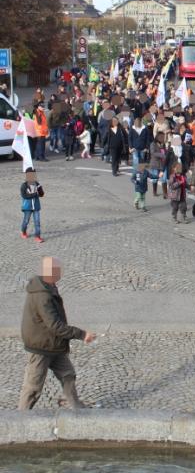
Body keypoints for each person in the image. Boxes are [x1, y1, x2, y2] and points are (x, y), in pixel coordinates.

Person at [18, 257, 96, 410]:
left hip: (54, 343)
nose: (59, 273)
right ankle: (20, 418)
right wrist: (81, 334)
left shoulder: (48, 285)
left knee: (68, 374)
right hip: (41, 346)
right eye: (56, 270)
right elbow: (55, 325)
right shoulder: (42, 295)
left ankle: (74, 405)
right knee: (33, 386)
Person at [20, 168, 45, 243]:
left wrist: (40, 190)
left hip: (36, 206)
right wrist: (35, 194)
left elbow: (42, 194)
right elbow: (25, 196)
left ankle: (38, 236)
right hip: (27, 207)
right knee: (26, 221)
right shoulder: (24, 185)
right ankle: (23, 231)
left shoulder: (37, 184)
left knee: (37, 222)